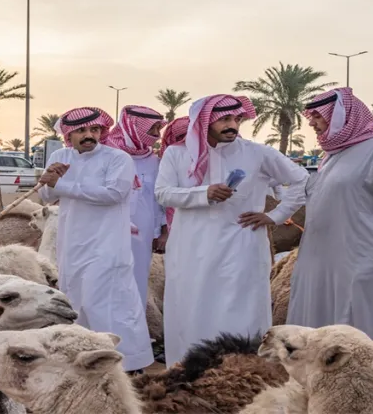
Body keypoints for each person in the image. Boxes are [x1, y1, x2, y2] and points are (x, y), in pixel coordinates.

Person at [156, 94, 308, 366]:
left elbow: (301, 181)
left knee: (241, 311)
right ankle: (189, 373)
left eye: (237, 119)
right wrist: (205, 193)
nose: (233, 125)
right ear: (205, 122)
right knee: (191, 310)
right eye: (225, 119)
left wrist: (275, 216)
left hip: (241, 247)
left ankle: (244, 374)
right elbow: (163, 193)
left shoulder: (257, 153)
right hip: (192, 248)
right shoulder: (177, 154)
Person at [286, 87, 373, 342]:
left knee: (363, 330)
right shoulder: (331, 157)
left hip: (364, 257)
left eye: (318, 116)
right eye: (310, 116)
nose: (311, 122)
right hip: (323, 260)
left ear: (341, 117)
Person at [39, 106, 154, 373]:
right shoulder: (59, 155)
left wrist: (61, 185)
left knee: (109, 302)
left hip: (107, 245)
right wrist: (50, 180)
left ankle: (128, 363)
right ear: (69, 134)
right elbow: (45, 196)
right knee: (77, 301)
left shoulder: (117, 158)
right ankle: (86, 359)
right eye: (81, 131)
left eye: (94, 130)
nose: (89, 135)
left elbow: (113, 193)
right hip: (72, 244)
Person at [103, 105, 167, 308]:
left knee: (137, 277)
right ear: (134, 128)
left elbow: (160, 201)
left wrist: (162, 231)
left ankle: (134, 330)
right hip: (105, 229)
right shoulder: (106, 155)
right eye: (152, 129)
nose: (157, 136)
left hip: (143, 232)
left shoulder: (155, 161)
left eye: (159, 129)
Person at [158, 116, 189, 240]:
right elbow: (162, 196)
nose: (184, 140)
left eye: (188, 135)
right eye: (180, 137)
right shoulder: (169, 157)